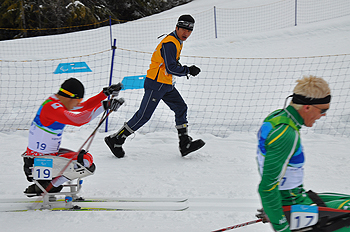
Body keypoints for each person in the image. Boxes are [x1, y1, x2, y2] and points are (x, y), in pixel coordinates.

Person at [256, 75, 350, 231]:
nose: (324, 115)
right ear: (307, 107)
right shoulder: (286, 134)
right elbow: (267, 187)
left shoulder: (278, 117)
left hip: (296, 198)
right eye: (323, 110)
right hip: (294, 208)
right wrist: (281, 226)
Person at [104, 14, 205, 158]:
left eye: (189, 31)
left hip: (167, 84)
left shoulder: (177, 41)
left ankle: (184, 143)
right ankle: (116, 139)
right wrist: (188, 70)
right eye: (183, 29)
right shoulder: (170, 43)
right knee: (144, 115)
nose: (186, 33)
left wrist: (183, 69)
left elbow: (169, 66)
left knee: (181, 107)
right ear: (176, 27)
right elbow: (170, 68)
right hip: (156, 84)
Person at [23, 77, 123, 196]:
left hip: (45, 158)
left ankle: (47, 185)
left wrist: (105, 94)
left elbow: (85, 106)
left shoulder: (57, 101)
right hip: (40, 162)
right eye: (77, 100)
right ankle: (49, 186)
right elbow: (78, 119)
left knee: (86, 160)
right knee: (85, 162)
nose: (78, 104)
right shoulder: (52, 108)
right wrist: (105, 105)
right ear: (70, 97)